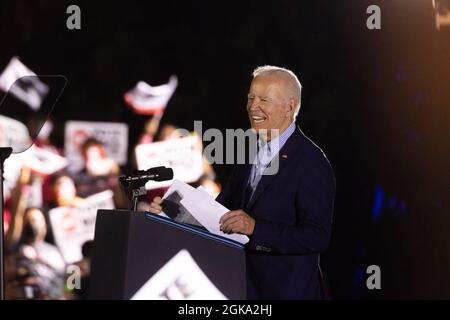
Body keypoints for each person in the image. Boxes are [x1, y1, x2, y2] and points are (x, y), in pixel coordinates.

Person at [149, 65, 335, 299]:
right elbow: (219, 214)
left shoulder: (311, 162)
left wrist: (255, 228)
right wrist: (173, 212)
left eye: (264, 100)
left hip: (287, 293)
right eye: (251, 97)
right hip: (241, 289)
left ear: (289, 108)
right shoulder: (247, 151)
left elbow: (317, 236)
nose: (253, 106)